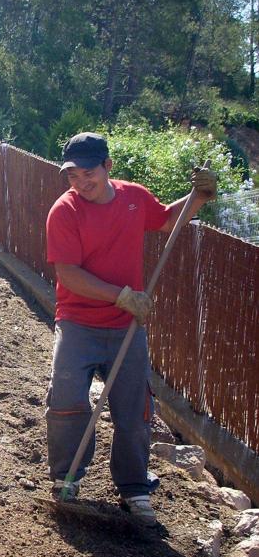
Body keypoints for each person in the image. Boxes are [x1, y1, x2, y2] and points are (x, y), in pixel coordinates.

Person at [45, 132, 216, 524]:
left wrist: (200, 197)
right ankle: (65, 478)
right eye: (72, 176)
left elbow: (167, 220)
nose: (80, 183)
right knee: (67, 397)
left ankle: (135, 489)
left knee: (133, 409)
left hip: (126, 327)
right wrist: (120, 295)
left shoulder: (134, 198)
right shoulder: (65, 211)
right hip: (78, 324)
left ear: (108, 167)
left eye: (87, 173)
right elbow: (68, 274)